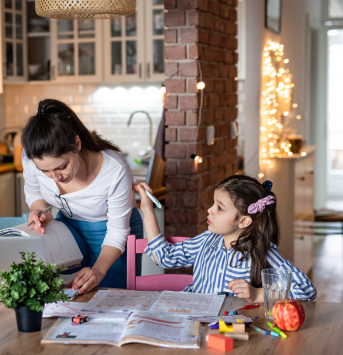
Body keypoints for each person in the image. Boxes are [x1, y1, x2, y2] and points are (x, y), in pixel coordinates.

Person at [21, 99, 143, 293]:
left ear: (77, 144)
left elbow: (117, 232)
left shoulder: (115, 169)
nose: (55, 179)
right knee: (65, 294)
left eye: (61, 167)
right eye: (45, 171)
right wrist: (39, 209)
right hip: (68, 229)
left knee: (108, 298)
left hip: (112, 235)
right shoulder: (31, 158)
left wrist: (99, 269)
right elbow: (35, 191)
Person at [134, 176, 317, 301]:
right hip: (195, 322)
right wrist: (147, 210)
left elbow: (306, 291)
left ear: (244, 220)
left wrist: (259, 294)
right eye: (213, 204)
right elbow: (164, 257)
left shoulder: (262, 250)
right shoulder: (207, 240)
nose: (210, 210)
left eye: (219, 208)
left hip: (233, 330)